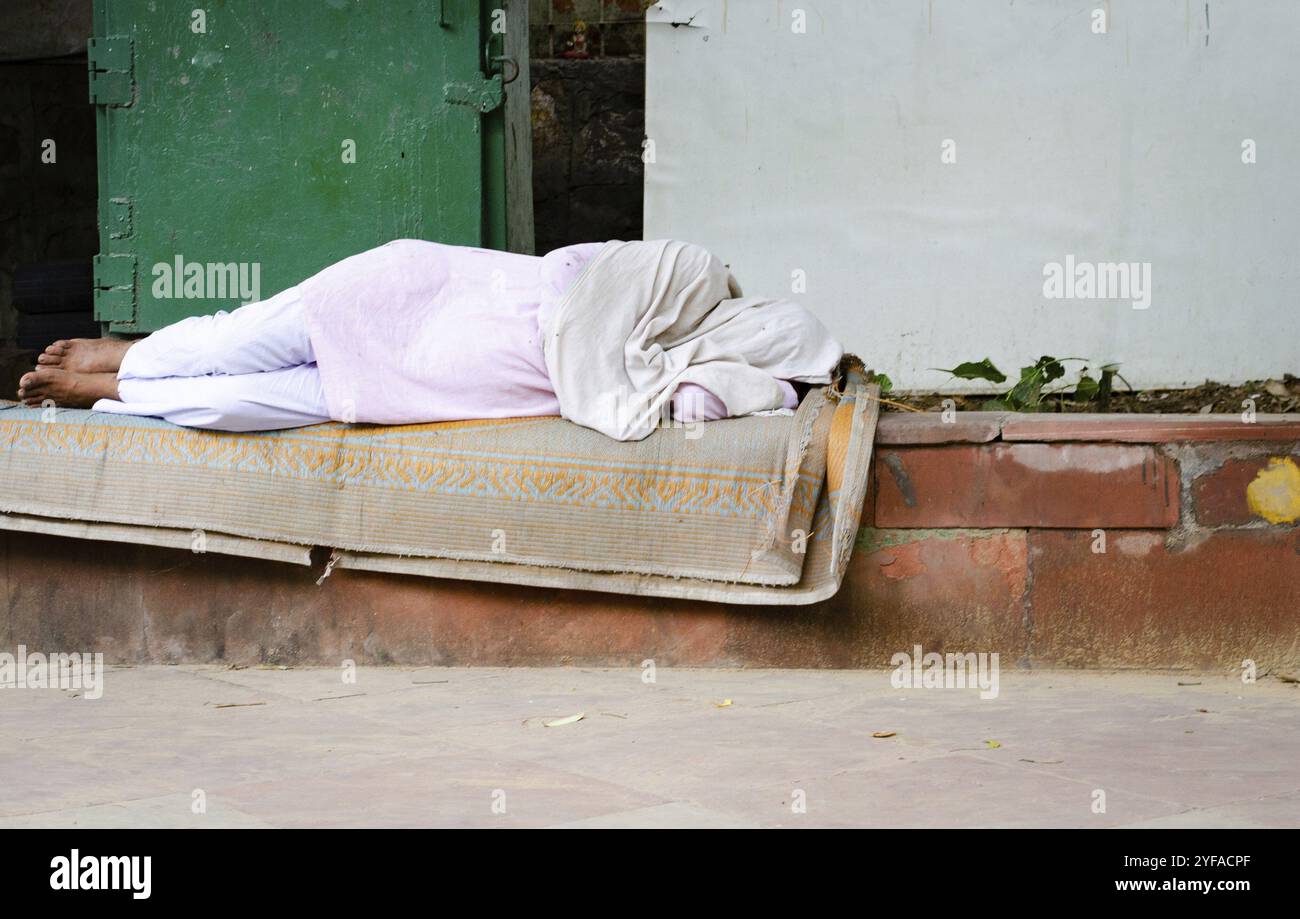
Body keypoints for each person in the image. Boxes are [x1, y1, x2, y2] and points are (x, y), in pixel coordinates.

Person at [17, 239, 843, 441]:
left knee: (239, 406)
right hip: (415, 293)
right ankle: (128, 352)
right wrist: (619, 385)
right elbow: (598, 372)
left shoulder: (685, 374)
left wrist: (773, 392)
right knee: (243, 338)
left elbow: (680, 401)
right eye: (776, 352)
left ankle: (115, 389)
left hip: (437, 382)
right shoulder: (688, 271)